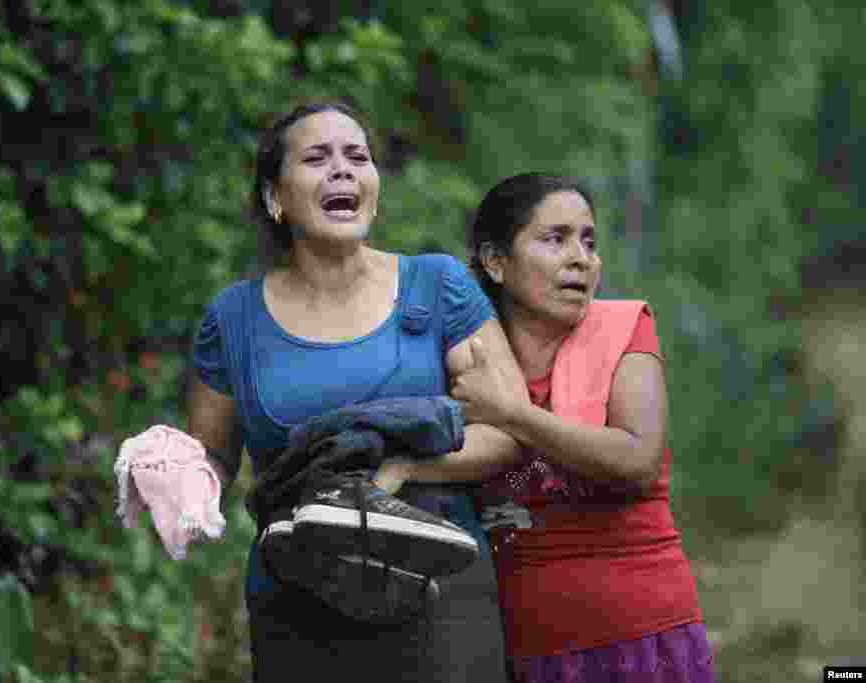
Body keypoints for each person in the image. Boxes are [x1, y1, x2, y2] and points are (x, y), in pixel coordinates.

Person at [186, 102, 523, 682]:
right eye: (317, 158)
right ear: (275, 197)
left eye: (357, 157)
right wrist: (176, 479)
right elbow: (210, 456)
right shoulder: (232, 319)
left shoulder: (439, 286)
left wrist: (398, 470)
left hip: (438, 596)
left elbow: (510, 429)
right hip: (297, 602)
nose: (342, 169)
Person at [374, 173, 715, 682]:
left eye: (589, 242)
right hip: (511, 647)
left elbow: (636, 463)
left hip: (641, 637)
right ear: (495, 263)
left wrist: (512, 414)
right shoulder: (465, 359)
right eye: (555, 239)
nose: (581, 257)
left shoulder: (624, 330)